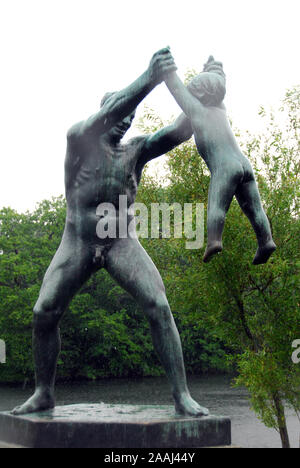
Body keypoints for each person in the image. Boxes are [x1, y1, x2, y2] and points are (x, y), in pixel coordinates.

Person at [12, 48, 208, 417]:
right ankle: (44, 392)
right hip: (78, 242)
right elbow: (103, 117)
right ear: (103, 114)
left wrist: (201, 93)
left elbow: (182, 129)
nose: (125, 121)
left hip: (121, 241)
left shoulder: (136, 150)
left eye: (130, 116)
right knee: (43, 311)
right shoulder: (78, 141)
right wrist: (149, 77)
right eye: (119, 112)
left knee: (159, 305)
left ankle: (182, 395)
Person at [165, 54, 276, 264]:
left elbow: (178, 90)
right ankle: (266, 241)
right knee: (254, 208)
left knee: (217, 205)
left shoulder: (196, 110)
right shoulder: (221, 108)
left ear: (197, 93)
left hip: (224, 166)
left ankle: (214, 240)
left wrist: (167, 72)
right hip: (244, 164)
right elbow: (218, 81)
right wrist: (214, 68)